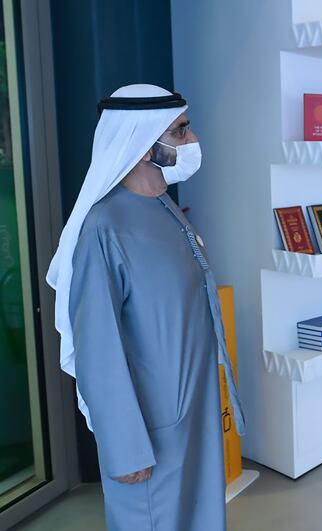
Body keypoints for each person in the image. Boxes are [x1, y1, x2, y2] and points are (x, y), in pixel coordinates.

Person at [46, 84, 244, 531]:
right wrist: (124, 446)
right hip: (149, 427)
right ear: (141, 143)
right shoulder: (104, 226)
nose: (191, 141)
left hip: (192, 413)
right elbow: (97, 348)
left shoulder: (164, 209)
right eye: (180, 130)